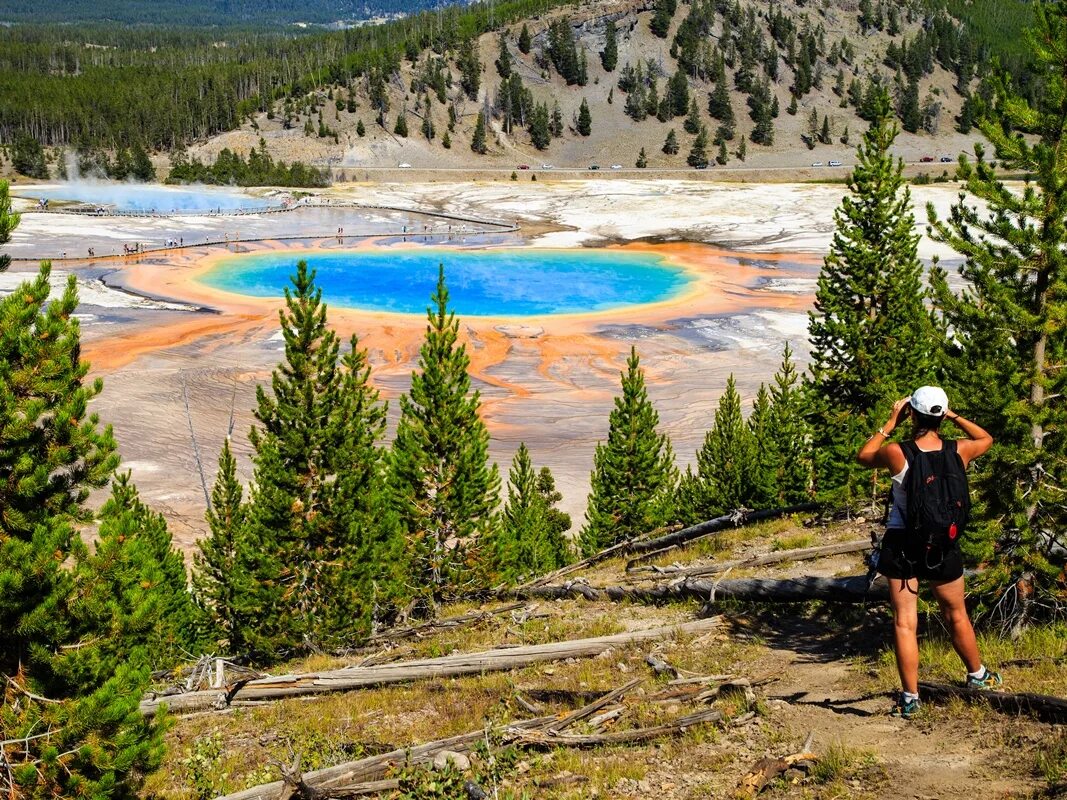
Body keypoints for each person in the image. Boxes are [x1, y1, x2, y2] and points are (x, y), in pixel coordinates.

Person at [857, 386, 1000, 719]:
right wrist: (954, 416)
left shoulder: (898, 452)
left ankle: (911, 698)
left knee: (905, 623)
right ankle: (977, 675)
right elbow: (987, 439)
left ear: (913, 414)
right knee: (956, 613)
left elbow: (864, 456)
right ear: (940, 415)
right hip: (943, 544)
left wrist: (890, 422)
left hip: (902, 543)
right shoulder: (959, 450)